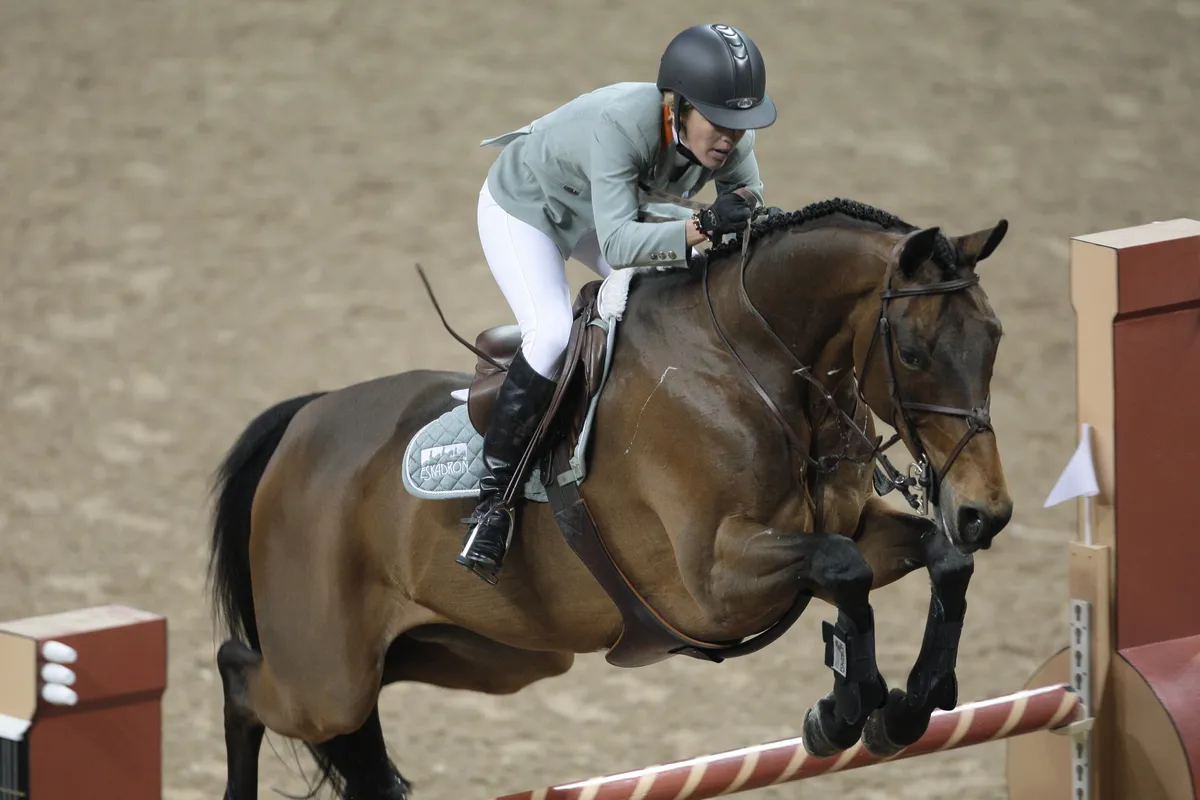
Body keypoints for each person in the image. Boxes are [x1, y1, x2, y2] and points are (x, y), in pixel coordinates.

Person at [457, 23, 778, 583]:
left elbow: (750, 205)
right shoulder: (623, 124)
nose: (731, 137)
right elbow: (619, 245)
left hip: (605, 209)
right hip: (527, 207)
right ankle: (494, 500)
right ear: (678, 107)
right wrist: (703, 224)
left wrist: (749, 217)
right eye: (718, 121)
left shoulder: (731, 138)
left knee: (676, 291)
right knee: (551, 334)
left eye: (740, 123)